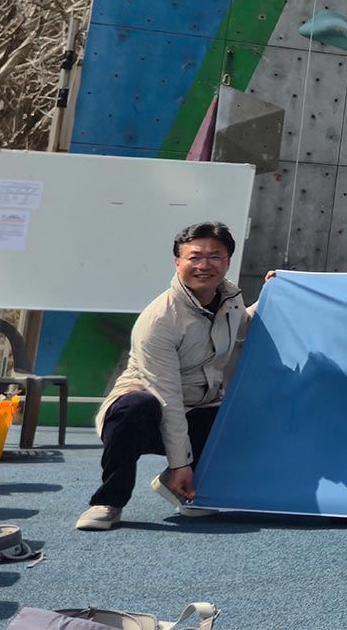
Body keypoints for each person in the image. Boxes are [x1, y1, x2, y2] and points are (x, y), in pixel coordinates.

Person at [77, 223, 249, 531]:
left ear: (227, 262)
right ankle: (108, 501)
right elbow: (167, 399)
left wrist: (278, 290)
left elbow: (247, 325)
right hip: (149, 414)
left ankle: (174, 483)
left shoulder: (231, 300)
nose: (205, 265)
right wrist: (182, 462)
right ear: (177, 262)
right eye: (195, 257)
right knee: (136, 406)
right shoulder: (159, 319)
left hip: (198, 406)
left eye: (215, 256)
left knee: (243, 417)